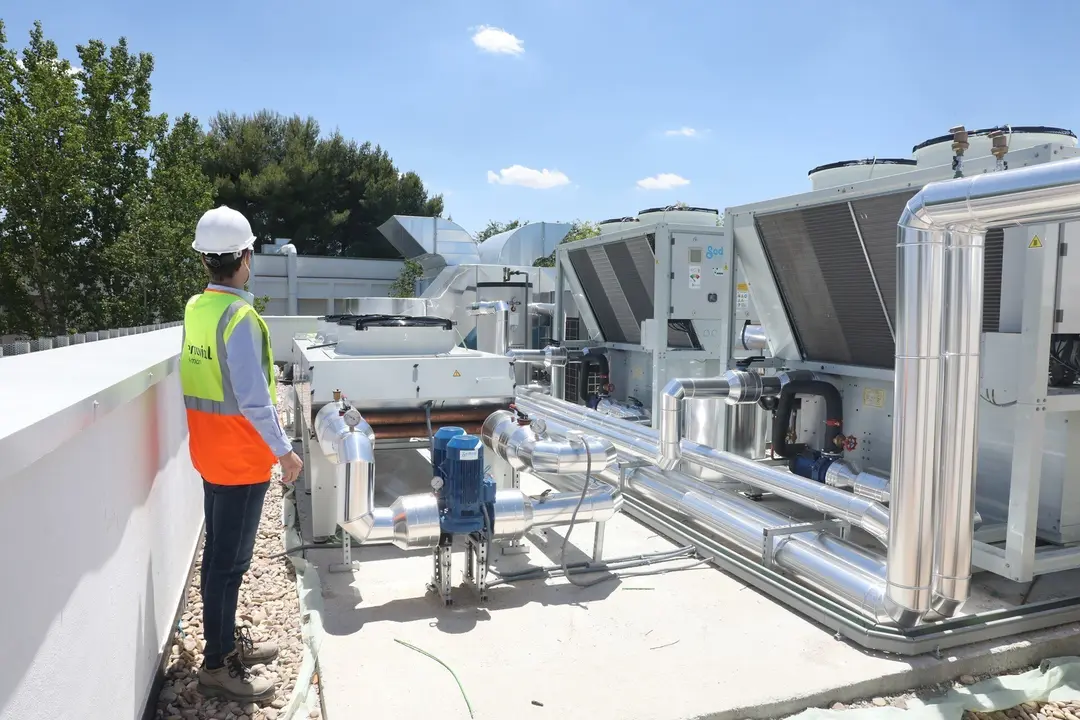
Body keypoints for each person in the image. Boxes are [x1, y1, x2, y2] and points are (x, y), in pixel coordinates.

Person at [179, 205, 304, 702]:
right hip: (241, 461)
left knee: (218, 557)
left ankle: (226, 641)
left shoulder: (196, 309)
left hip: (209, 453)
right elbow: (254, 399)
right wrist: (286, 453)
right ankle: (217, 664)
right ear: (246, 257)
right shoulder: (240, 318)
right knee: (229, 564)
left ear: (205, 260)